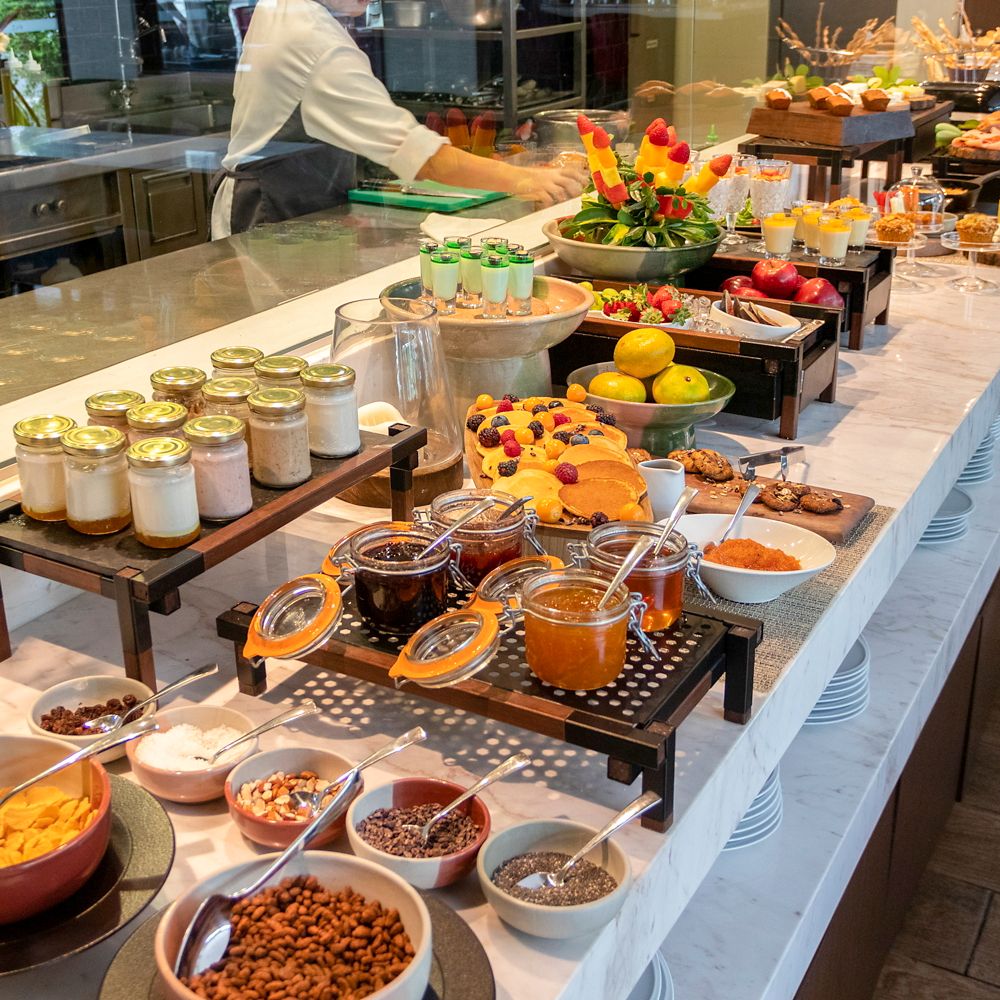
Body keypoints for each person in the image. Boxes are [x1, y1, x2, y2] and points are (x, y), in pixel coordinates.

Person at [211, 0, 585, 238]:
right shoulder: (313, 39)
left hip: (298, 207)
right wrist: (524, 178)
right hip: (269, 211)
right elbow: (424, 159)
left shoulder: (290, 9)